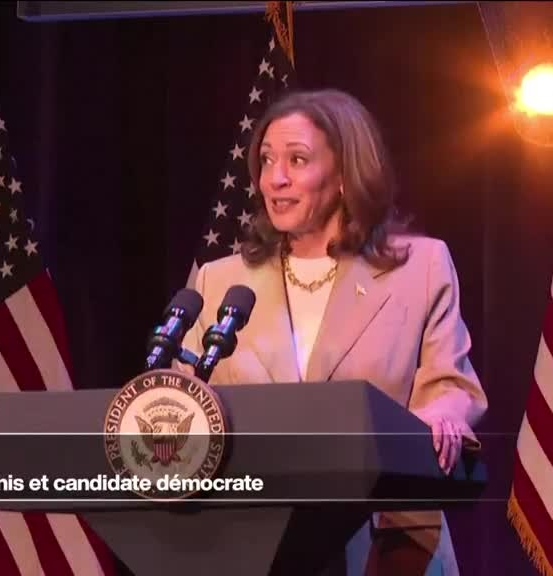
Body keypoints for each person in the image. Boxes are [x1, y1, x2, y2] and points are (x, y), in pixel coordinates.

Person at [180, 89, 487, 575]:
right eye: (266, 160)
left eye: (297, 160)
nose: (275, 178)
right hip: (255, 541)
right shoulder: (220, 281)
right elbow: (186, 398)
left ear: (346, 173)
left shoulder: (420, 268)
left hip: (390, 542)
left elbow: (450, 383)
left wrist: (442, 416)